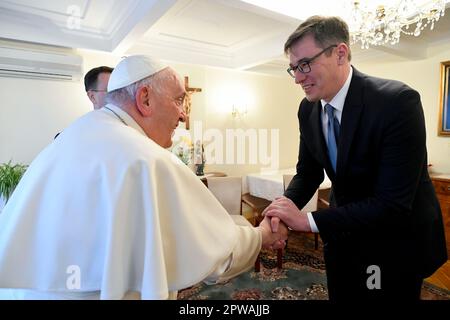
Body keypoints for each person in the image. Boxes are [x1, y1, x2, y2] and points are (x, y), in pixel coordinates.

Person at [0, 55, 287, 300]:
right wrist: (262, 235)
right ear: (145, 98)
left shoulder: (72, 136)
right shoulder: (144, 158)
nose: (184, 116)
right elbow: (216, 255)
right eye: (178, 101)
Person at [264, 16, 447, 301]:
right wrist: (281, 211)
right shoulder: (307, 109)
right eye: (293, 69)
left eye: (305, 65)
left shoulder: (397, 103)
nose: (298, 78)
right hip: (342, 237)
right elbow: (308, 173)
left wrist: (307, 221)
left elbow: (392, 204)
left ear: (340, 53)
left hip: (394, 242)